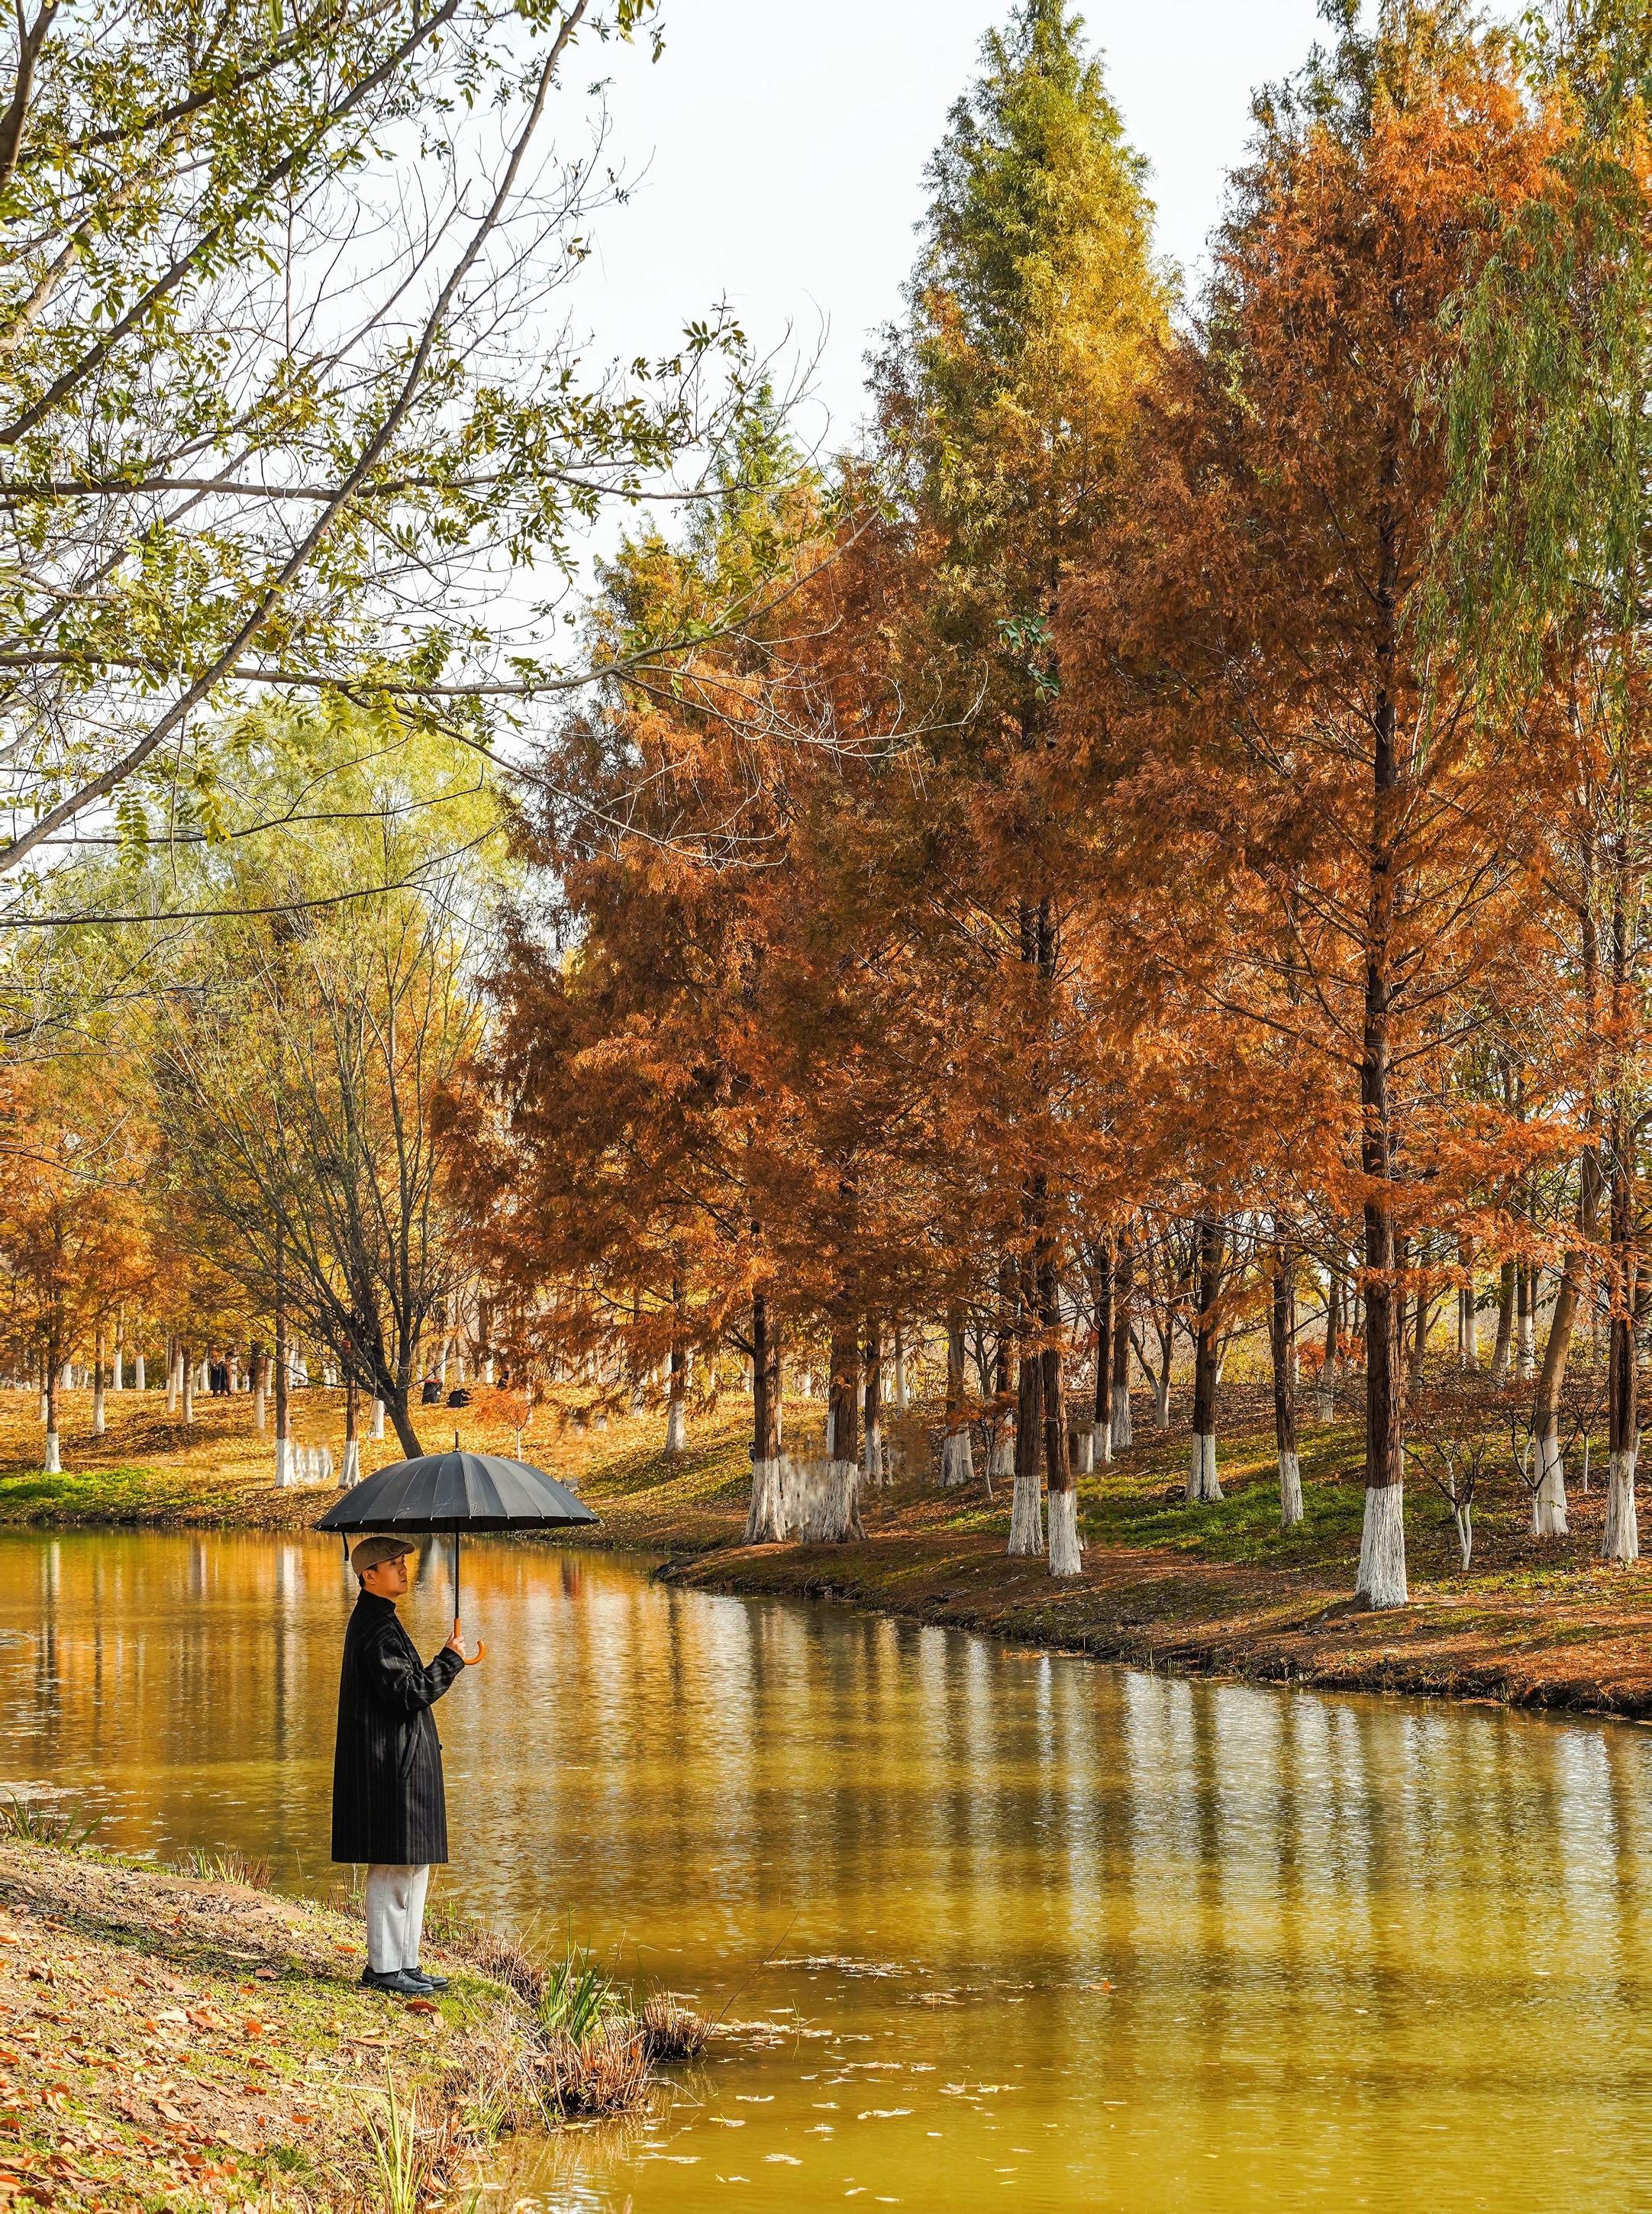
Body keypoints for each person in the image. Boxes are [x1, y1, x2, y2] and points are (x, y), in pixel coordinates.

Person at [331, 1535, 482, 1996]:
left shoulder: (384, 1621)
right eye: (392, 1564)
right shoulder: (375, 1628)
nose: (402, 1569)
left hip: (403, 1760)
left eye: (402, 1562)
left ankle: (405, 1963)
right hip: (387, 1765)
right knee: (393, 1866)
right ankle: (382, 1968)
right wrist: (450, 1661)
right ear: (368, 1576)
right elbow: (408, 1693)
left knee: (414, 1865)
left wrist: (447, 1658)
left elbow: (407, 1688)